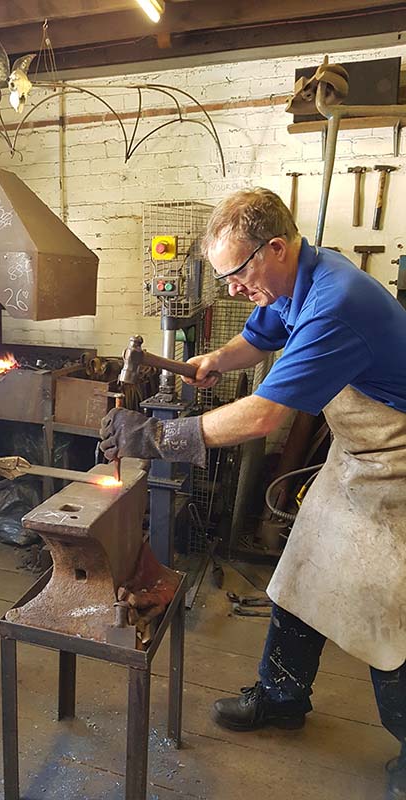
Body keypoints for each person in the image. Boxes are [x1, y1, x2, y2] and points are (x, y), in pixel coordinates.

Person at [100, 188, 406, 800]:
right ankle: (282, 695)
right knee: (300, 571)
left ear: (275, 247)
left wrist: (162, 435)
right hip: (357, 457)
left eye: (238, 273)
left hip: (399, 465)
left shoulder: (336, 303)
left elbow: (265, 416)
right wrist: (217, 357)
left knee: (388, 611)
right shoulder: (293, 281)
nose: (234, 287)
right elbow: (259, 336)